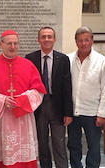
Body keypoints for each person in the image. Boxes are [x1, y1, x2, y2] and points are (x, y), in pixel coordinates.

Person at [0, 30, 46, 168]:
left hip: (23, 118)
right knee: (2, 154)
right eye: (9, 43)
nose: (12, 46)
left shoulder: (28, 65)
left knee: (24, 155)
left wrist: (21, 101)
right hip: (1, 119)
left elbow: (39, 91)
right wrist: (2, 100)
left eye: (15, 43)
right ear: (1, 44)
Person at [25, 27, 73, 168]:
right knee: (42, 143)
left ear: (54, 39)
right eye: (43, 37)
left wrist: (68, 112)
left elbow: (67, 87)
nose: (47, 39)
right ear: (38, 39)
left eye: (49, 37)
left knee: (59, 143)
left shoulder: (63, 59)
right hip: (38, 106)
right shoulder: (30, 58)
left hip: (57, 106)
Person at [67, 26, 105, 168]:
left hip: (92, 111)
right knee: (73, 144)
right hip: (73, 110)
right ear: (76, 42)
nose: (84, 43)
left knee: (93, 145)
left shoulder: (102, 61)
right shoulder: (68, 59)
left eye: (87, 40)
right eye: (80, 40)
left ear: (92, 40)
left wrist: (102, 113)